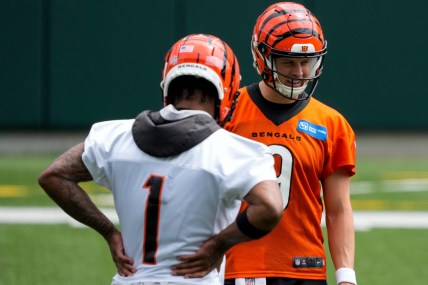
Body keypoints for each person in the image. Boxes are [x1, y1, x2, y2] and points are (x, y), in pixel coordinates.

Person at [38, 34, 283, 285]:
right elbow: (270, 208)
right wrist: (218, 245)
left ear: (168, 84)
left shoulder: (114, 138)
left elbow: (53, 176)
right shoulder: (234, 151)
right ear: (228, 88)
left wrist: (108, 231)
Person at [221, 2, 358, 285]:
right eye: (288, 61)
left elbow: (338, 208)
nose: (299, 71)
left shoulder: (331, 123)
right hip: (239, 265)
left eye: (306, 61)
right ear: (262, 56)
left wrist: (346, 274)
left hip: (306, 268)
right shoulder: (228, 113)